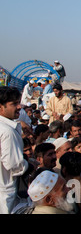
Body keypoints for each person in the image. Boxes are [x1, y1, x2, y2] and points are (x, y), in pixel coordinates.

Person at [0, 86, 30, 214]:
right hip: (6, 193)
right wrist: (29, 164)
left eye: (18, 103)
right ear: (1, 107)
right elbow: (14, 165)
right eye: (14, 104)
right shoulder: (7, 132)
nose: (19, 107)